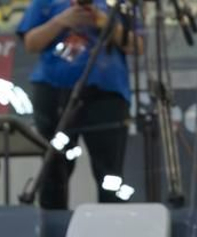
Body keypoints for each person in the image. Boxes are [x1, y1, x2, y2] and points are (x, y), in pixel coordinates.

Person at [18, 0, 142, 209]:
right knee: (54, 167)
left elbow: (136, 46)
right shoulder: (45, 2)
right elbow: (31, 43)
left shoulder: (118, 4)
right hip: (54, 90)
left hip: (106, 93)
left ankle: (112, 231)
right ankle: (52, 234)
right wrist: (61, 21)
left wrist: (105, 23)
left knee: (110, 172)